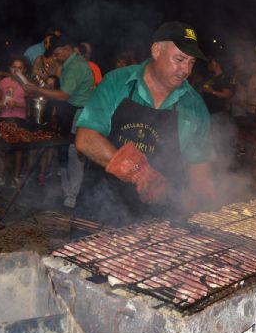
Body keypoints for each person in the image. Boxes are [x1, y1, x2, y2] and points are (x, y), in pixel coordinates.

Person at [74, 21, 215, 228]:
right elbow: (86, 139)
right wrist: (142, 175)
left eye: (191, 62)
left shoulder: (193, 106)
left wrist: (204, 211)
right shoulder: (117, 82)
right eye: (180, 59)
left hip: (154, 223)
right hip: (98, 208)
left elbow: (200, 172)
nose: (185, 69)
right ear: (156, 50)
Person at [22, 34, 94, 208]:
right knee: (63, 151)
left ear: (67, 49)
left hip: (79, 116)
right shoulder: (67, 64)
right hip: (67, 112)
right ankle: (66, 191)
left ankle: (73, 194)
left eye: (57, 54)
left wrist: (38, 91)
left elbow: (63, 95)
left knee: (74, 154)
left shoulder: (76, 66)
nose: (55, 57)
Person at [0, 57, 29, 187]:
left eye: (20, 67)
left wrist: (16, 104)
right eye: (14, 67)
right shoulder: (4, 81)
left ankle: (16, 177)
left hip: (19, 119)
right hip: (3, 117)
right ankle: (0, 176)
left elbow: (31, 105)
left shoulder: (27, 84)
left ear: (24, 70)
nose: (16, 70)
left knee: (18, 149)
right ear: (10, 68)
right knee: (1, 147)